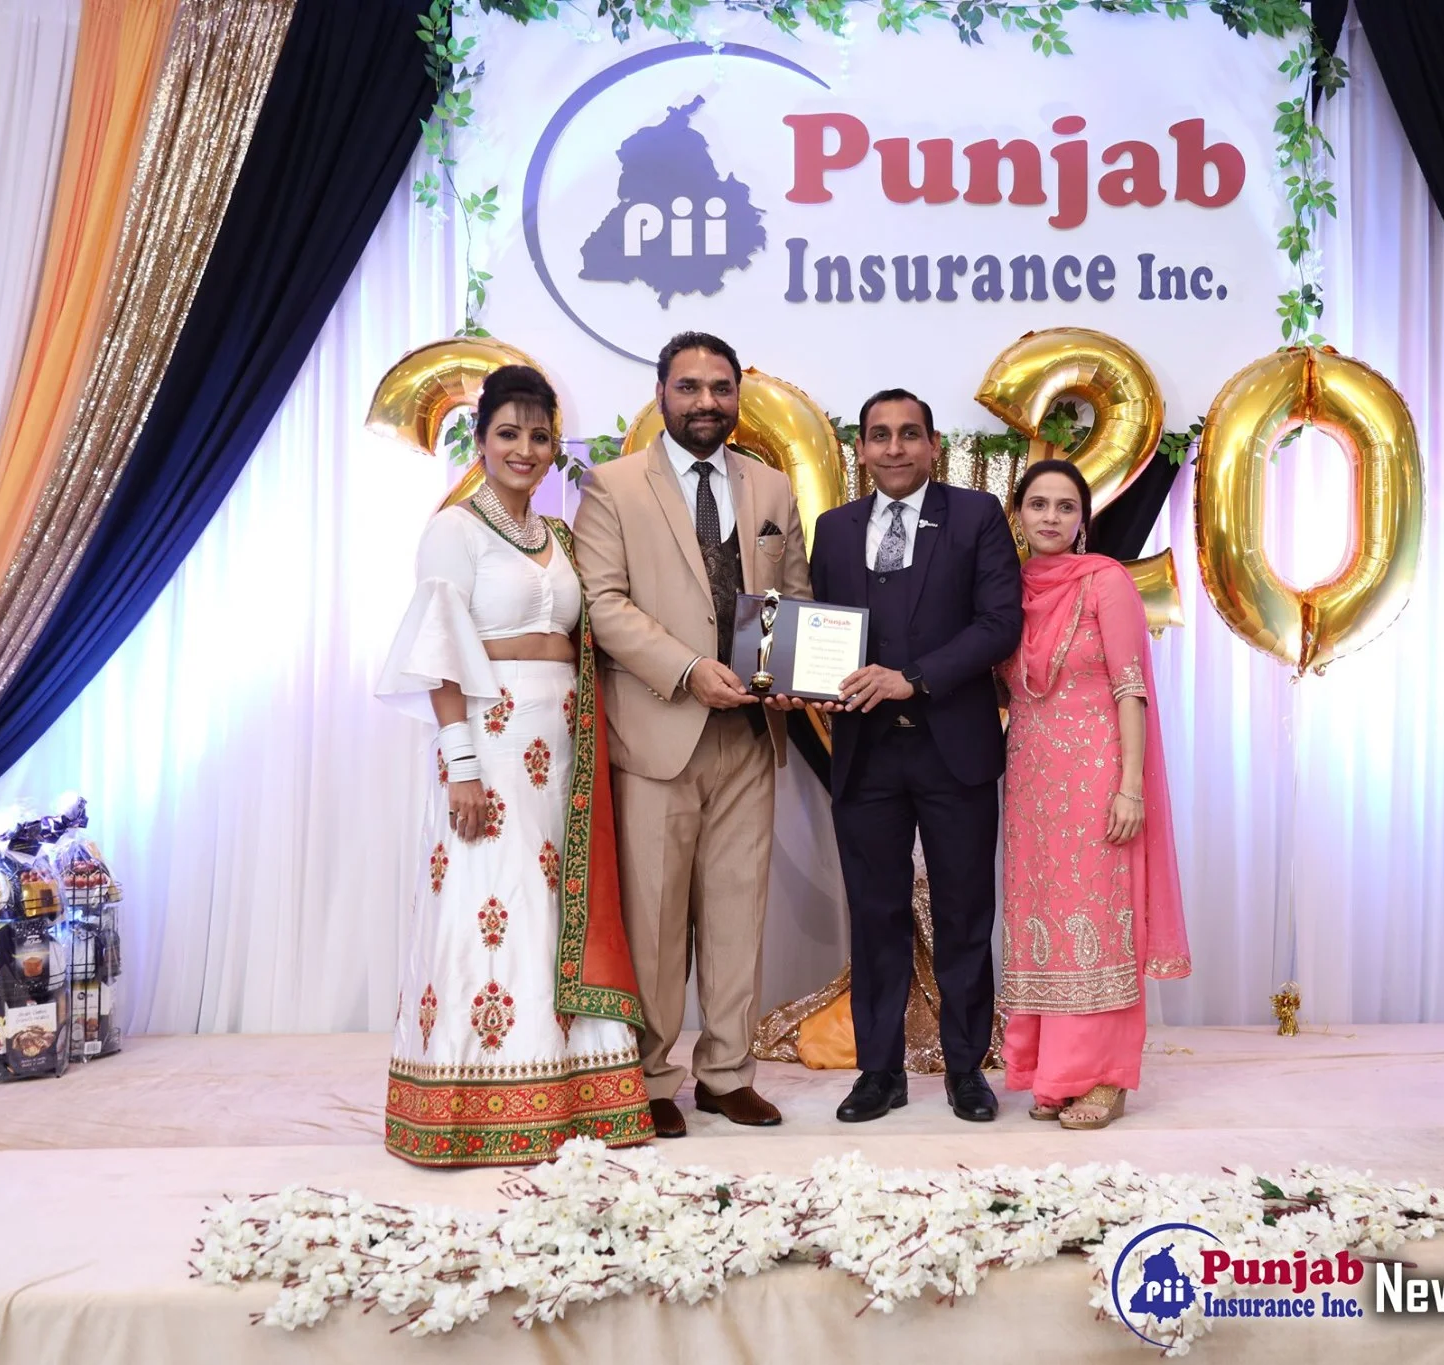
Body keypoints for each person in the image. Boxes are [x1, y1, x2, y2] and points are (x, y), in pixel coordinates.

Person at [376, 364, 653, 1166]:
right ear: (481, 439)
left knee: (552, 909)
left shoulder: (559, 536)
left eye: (539, 435)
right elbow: (439, 653)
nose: (524, 449)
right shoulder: (455, 531)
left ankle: (573, 1096)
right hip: (489, 747)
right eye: (508, 433)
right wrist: (460, 763)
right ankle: (474, 1104)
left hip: (561, 752)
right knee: (488, 902)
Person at [572, 332, 811, 1138]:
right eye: (689, 387)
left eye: (720, 387)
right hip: (656, 731)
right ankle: (649, 1078)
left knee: (740, 912)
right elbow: (602, 602)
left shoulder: (770, 486)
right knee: (654, 918)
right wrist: (685, 669)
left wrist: (794, 671)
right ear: (661, 393)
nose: (706, 401)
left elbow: (792, 596)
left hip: (749, 736)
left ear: (737, 394)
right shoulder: (613, 485)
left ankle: (727, 1075)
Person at [810, 389, 1022, 1125]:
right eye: (879, 435)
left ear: (934, 445)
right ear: (861, 449)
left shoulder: (976, 516)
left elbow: (999, 623)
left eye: (908, 434)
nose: (894, 448)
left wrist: (915, 677)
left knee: (965, 913)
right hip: (865, 753)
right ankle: (880, 1072)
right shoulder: (834, 529)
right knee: (875, 915)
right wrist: (811, 680)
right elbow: (824, 629)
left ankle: (967, 1068)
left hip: (953, 748)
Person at [997, 459, 1189, 1131]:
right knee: (1042, 917)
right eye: (1038, 504)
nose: (1050, 516)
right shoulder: (1008, 590)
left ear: (1083, 519)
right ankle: (1056, 1074)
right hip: (1031, 781)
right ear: (1018, 514)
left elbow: (1130, 687)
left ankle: (1106, 1077)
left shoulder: (1106, 581)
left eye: (1065, 506)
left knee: (1098, 921)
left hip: (1098, 774)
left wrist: (1130, 787)